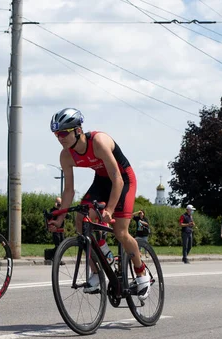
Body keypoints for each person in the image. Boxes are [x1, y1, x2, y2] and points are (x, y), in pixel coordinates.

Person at [46, 108, 150, 299]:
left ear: (78, 130)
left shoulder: (99, 142)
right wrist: (59, 218)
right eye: (56, 134)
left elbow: (117, 178)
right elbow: (68, 190)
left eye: (63, 133)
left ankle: (140, 271)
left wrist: (110, 210)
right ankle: (96, 271)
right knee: (80, 220)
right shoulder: (66, 155)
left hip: (123, 179)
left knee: (120, 232)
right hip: (102, 181)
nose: (59, 138)